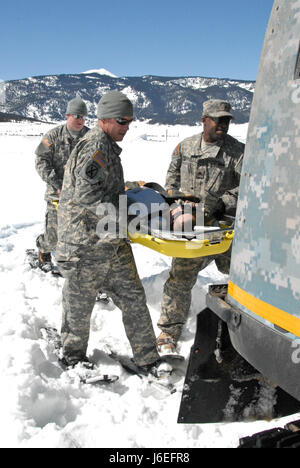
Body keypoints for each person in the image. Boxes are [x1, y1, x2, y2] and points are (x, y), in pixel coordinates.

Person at [55, 90, 167, 376]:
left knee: (133, 298)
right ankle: (72, 356)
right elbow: (87, 198)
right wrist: (130, 215)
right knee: (79, 306)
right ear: (104, 118)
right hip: (84, 245)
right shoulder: (94, 147)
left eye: (129, 121)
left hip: (112, 242)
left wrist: (132, 191)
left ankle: (147, 358)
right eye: (121, 120)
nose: (126, 127)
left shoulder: (106, 147)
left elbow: (105, 187)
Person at [157, 99, 245, 356]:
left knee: (242, 277)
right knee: (180, 278)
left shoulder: (238, 152)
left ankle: (248, 331)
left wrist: (223, 203)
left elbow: (250, 185)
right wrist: (175, 206)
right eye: (218, 119)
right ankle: (168, 331)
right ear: (204, 119)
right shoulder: (184, 147)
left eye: (227, 120)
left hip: (224, 230)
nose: (223, 124)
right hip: (191, 230)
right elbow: (171, 181)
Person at [35, 97, 89, 269]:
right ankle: (43, 250)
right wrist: (57, 184)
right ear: (67, 116)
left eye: (83, 117)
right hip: (56, 195)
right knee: (53, 237)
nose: (80, 120)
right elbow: (41, 161)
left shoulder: (90, 137)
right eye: (77, 116)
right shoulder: (53, 136)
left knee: (83, 234)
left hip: (82, 195)